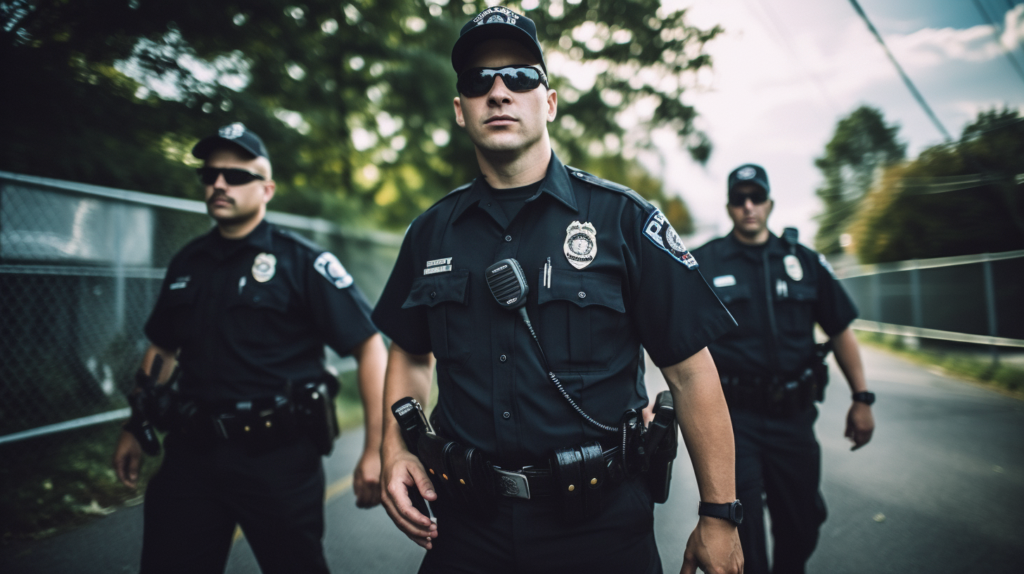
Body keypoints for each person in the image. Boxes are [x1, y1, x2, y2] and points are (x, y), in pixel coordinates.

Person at [372, 7, 743, 574]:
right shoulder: (429, 233)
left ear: (547, 101)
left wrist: (719, 515)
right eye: (479, 82)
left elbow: (691, 374)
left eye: (520, 76)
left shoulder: (624, 221)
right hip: (466, 526)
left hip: (600, 529)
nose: (499, 93)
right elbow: (410, 353)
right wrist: (393, 447)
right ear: (460, 110)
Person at [111, 123, 387, 574]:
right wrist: (135, 424)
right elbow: (163, 347)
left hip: (277, 460)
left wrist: (374, 450)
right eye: (210, 174)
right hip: (191, 457)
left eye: (237, 176)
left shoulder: (303, 262)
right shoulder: (187, 262)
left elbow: (370, 346)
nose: (219, 183)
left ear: (267, 190)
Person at [692, 163, 876, 574]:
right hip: (733, 421)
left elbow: (840, 328)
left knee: (803, 523)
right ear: (729, 207)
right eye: (739, 199)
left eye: (756, 197)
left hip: (794, 418)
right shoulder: (704, 263)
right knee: (744, 533)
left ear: (770, 202)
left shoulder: (804, 262)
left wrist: (862, 398)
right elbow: (676, 337)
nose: (749, 206)